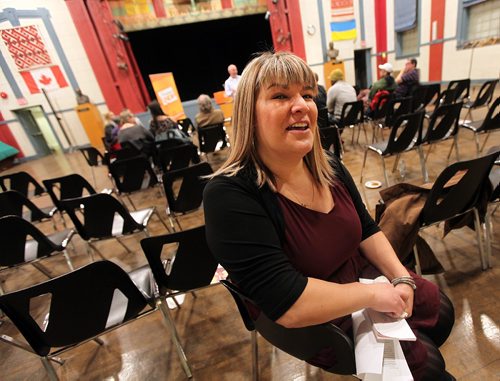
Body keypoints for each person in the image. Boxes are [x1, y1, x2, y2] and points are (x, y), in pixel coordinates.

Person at [203, 51, 455, 381]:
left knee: (441, 313)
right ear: (249, 114)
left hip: (358, 274)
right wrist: (375, 295)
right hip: (314, 315)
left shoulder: (329, 166)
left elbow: (366, 229)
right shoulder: (229, 194)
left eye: (307, 94)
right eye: (280, 95)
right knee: (429, 368)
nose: (301, 105)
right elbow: (288, 304)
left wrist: (400, 277)